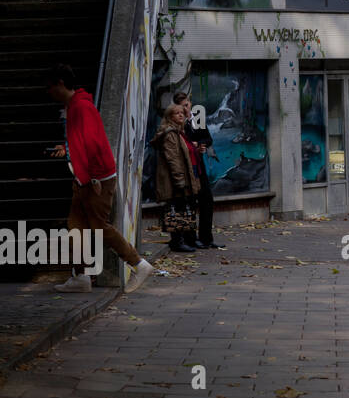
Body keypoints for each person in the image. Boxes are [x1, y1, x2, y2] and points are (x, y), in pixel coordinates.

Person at [44, 66, 155, 293]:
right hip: (87, 178)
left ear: (61, 83)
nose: (49, 92)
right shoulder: (77, 106)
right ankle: (81, 277)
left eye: (51, 86)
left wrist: (92, 179)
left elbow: (93, 144)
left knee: (99, 228)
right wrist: (68, 150)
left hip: (95, 180)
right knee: (76, 227)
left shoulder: (81, 107)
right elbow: (83, 141)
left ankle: (139, 264)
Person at [174, 91, 223, 249]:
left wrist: (201, 144)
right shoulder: (178, 122)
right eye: (183, 107)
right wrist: (194, 145)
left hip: (198, 167)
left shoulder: (197, 120)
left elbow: (208, 138)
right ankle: (190, 239)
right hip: (187, 169)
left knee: (207, 200)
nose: (186, 109)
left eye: (187, 105)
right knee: (188, 203)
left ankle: (206, 238)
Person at [152, 104, 201, 253]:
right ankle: (177, 241)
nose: (180, 115)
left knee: (180, 207)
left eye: (182, 113)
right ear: (169, 117)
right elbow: (173, 158)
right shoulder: (170, 134)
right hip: (173, 179)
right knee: (176, 208)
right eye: (176, 113)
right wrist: (179, 179)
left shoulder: (178, 132)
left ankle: (181, 240)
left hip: (178, 178)